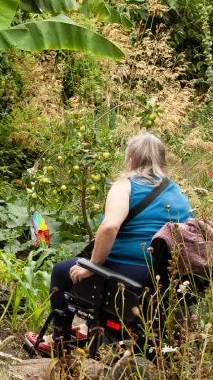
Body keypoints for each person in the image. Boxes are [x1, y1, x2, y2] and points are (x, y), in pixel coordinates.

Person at [25, 132, 193, 352]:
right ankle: (89, 331)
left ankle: (59, 340)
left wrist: (92, 265)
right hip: (161, 278)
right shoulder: (178, 193)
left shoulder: (126, 185)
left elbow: (110, 226)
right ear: (162, 162)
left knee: (61, 271)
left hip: (127, 273)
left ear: (130, 159)